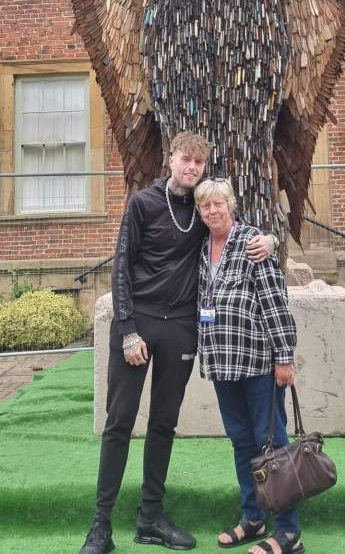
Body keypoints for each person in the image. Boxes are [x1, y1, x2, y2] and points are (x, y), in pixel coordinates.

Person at [80, 133, 274, 554]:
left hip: (182, 327)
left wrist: (270, 241)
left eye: (199, 163)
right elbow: (122, 269)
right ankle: (100, 526)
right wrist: (127, 329)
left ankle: (151, 518)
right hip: (139, 325)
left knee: (164, 424)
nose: (192, 168)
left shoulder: (203, 207)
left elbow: (236, 227)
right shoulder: (143, 203)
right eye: (186, 159)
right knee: (119, 422)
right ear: (171, 159)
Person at [194, 178, 303, 554]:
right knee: (242, 442)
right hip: (223, 366)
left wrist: (284, 356)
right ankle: (253, 518)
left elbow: (275, 301)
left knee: (271, 444)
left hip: (258, 362)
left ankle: (289, 532)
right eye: (205, 206)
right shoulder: (202, 247)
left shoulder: (253, 242)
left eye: (218, 204)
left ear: (231, 205)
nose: (212, 211)